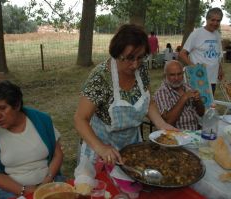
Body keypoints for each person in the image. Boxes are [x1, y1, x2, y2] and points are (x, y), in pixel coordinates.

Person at [74, 24, 177, 167]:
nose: (135, 65)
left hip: (132, 146)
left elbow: (148, 102)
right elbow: (80, 119)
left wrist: (162, 124)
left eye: (140, 57)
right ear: (117, 53)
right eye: (129, 58)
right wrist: (101, 148)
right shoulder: (101, 77)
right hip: (101, 150)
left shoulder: (141, 70)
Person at [0, 80, 64, 199]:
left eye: (2, 108)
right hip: (12, 191)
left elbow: (58, 155)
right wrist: (25, 191)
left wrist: (46, 182)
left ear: (17, 105)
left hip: (50, 182)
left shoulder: (41, 120)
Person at [179, 7, 224, 94]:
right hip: (199, 78)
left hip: (213, 78)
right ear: (207, 19)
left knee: (210, 104)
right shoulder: (196, 33)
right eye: (212, 20)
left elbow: (218, 55)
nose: (215, 23)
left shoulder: (217, 34)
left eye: (218, 21)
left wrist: (220, 69)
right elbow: (182, 54)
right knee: (199, 105)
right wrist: (194, 67)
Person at [154, 60, 205, 130]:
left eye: (179, 74)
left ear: (183, 73)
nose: (176, 78)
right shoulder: (162, 92)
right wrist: (184, 98)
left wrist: (198, 101)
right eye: (172, 75)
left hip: (195, 132)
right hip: (176, 135)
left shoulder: (188, 87)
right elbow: (168, 122)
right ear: (165, 75)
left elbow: (201, 113)